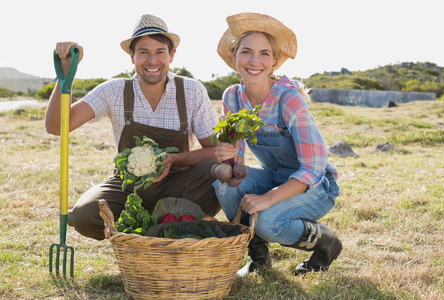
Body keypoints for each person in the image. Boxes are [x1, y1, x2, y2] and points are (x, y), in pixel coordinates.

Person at [45, 14, 221, 240]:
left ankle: (159, 227)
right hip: (128, 188)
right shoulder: (114, 91)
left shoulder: (191, 91)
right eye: (143, 52)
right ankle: (160, 228)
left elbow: (217, 151)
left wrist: (175, 160)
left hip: (177, 187)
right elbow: (56, 126)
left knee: (213, 173)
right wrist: (66, 73)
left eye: (160, 52)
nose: (152, 60)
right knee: (84, 216)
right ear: (132, 57)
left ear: (172, 55)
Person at [213, 12, 342, 276]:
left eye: (264, 54)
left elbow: (312, 169)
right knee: (224, 186)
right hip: (275, 176)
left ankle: (326, 243)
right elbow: (235, 161)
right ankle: (257, 257)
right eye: (246, 52)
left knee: (268, 221)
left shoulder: (289, 100)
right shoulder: (232, 97)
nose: (254, 61)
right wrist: (225, 156)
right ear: (235, 56)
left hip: (316, 186)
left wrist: (267, 198)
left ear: (273, 61)